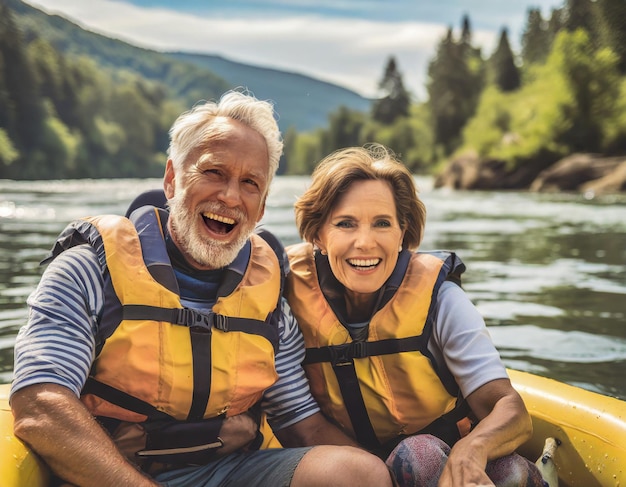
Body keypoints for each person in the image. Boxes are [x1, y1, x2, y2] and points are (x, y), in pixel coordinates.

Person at [9, 92, 393, 487]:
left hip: (226, 472)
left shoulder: (269, 299)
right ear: (172, 179)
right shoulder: (88, 270)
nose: (230, 197)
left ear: (260, 209)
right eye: (213, 173)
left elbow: (300, 423)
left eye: (249, 183)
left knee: (359, 474)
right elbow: (40, 404)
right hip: (111, 474)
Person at [284, 144, 546, 487]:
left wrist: (472, 450)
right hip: (355, 469)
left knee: (435, 459)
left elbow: (511, 412)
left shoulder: (443, 300)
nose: (364, 242)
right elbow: (299, 425)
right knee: (412, 457)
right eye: (346, 224)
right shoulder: (287, 298)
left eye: (382, 223)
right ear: (318, 234)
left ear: (402, 233)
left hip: (445, 456)